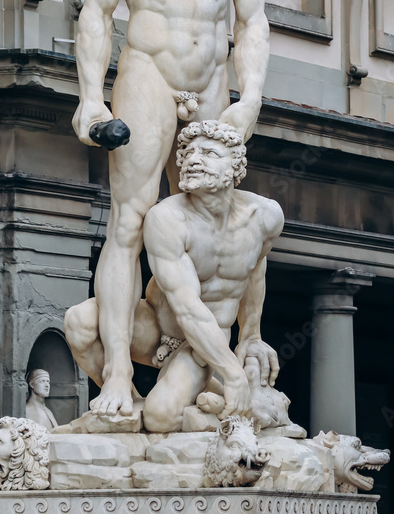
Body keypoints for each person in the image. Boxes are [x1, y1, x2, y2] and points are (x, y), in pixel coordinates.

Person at [72, 0, 270, 417]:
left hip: (212, 78)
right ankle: (115, 382)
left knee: (218, 220)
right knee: (129, 224)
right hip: (149, 74)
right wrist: (90, 100)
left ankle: (223, 367)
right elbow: (97, 13)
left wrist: (251, 101)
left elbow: (254, 21)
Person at [63, 121, 284, 432]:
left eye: (208, 153)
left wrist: (251, 335)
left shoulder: (266, 216)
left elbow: (254, 269)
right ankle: (129, 401)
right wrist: (234, 374)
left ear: (235, 165)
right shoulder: (167, 218)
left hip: (205, 342)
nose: (194, 159)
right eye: (189, 153)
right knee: (79, 321)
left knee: (161, 417)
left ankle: (212, 404)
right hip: (156, 326)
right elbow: (186, 307)